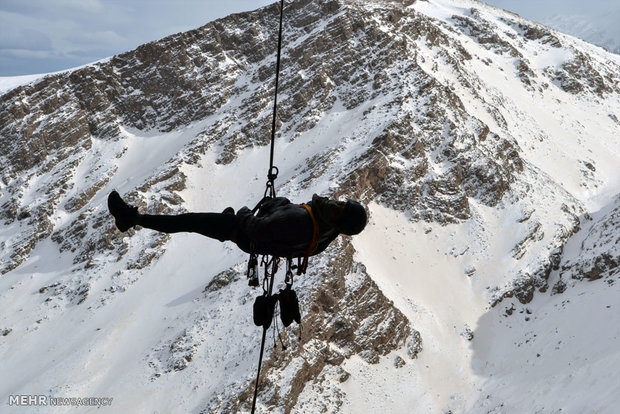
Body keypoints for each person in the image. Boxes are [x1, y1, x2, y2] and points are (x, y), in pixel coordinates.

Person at [107, 191, 367, 259]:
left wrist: (242, 213)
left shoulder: (300, 221)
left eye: (341, 207)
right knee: (197, 222)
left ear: (339, 219)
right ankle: (226, 218)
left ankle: (131, 219)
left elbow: (255, 228)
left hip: (241, 232)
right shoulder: (328, 232)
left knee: (189, 221)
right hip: (257, 241)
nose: (336, 202)